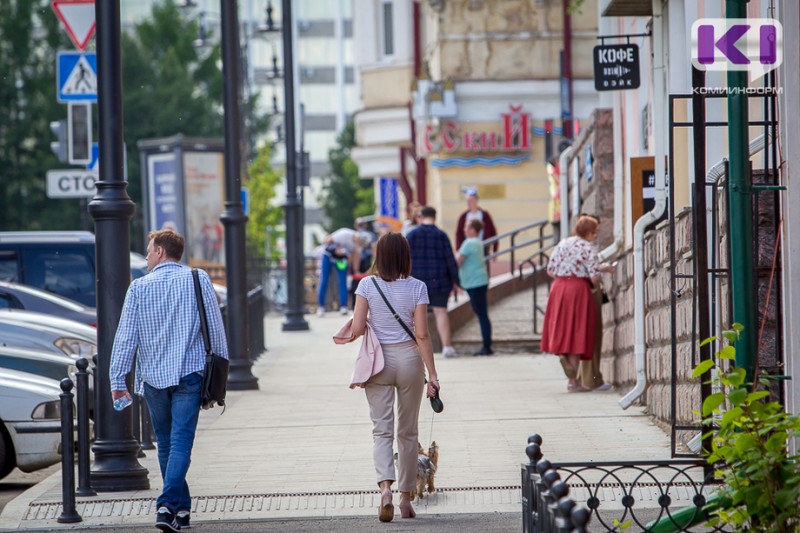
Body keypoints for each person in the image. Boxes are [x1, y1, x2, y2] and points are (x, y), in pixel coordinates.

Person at [109, 229, 228, 532]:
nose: (147, 257)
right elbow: (215, 330)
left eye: (149, 251)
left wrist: (117, 378)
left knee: (166, 443)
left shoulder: (138, 288)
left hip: (152, 378)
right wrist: (220, 378)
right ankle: (174, 508)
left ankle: (171, 506)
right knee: (180, 443)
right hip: (190, 373)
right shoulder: (197, 279)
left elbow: (125, 338)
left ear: (160, 251)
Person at [348, 232, 439, 522]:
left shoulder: (366, 285)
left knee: (381, 430)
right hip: (410, 361)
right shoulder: (418, 287)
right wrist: (433, 375)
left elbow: (359, 328)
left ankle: (385, 489)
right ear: (405, 257)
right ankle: (404, 498)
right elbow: (422, 334)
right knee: (408, 432)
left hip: (378, 362)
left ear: (379, 256)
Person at [541, 215, 613, 392]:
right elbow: (594, 277)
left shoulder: (563, 243)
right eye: (595, 233)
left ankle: (569, 371)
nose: (596, 236)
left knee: (564, 327)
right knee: (578, 330)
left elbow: (550, 269)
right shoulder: (588, 248)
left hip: (559, 287)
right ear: (588, 233)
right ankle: (573, 382)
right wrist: (593, 286)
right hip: (578, 289)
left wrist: (565, 276)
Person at [406, 206, 460, 358]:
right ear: (435, 217)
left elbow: (404, 257)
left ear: (421, 217)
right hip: (440, 281)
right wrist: (456, 281)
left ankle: (414, 350)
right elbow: (450, 260)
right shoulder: (441, 235)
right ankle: (447, 347)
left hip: (416, 281)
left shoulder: (412, 235)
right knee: (441, 312)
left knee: (415, 315)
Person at [457, 219, 493, 356]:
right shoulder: (478, 242)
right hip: (481, 280)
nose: (464, 229)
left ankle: (486, 347)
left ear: (472, 229)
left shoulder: (469, 242)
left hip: (474, 282)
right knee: (483, 314)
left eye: (467, 226)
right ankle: (487, 345)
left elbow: (459, 261)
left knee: (482, 314)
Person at [317, 228, 372, 317]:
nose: (360, 245)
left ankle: (343, 306)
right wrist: (336, 250)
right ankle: (321, 306)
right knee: (324, 280)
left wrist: (356, 271)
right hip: (328, 256)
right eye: (360, 243)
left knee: (343, 282)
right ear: (358, 238)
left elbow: (356, 257)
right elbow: (328, 240)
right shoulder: (344, 233)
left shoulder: (359, 245)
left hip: (341, 259)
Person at [454, 189, 498, 253]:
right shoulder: (463, 217)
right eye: (468, 200)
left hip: (482, 246)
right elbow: (459, 234)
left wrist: (495, 250)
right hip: (468, 247)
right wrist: (458, 248)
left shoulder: (484, 215)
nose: (470, 202)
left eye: (472, 200)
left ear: (477, 200)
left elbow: (493, 232)